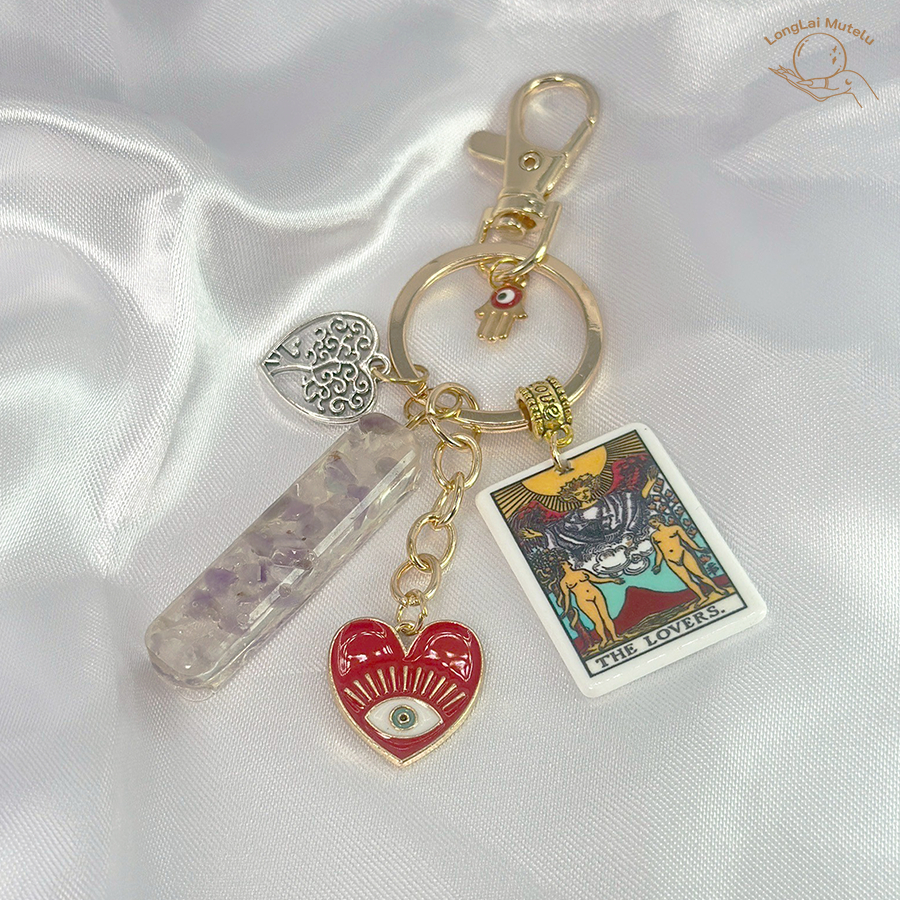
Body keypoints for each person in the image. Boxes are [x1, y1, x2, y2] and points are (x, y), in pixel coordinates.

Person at [649, 517, 726, 601]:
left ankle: (717, 589)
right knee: (687, 581)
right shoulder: (654, 536)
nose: (653, 524)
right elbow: (659, 552)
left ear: (660, 520)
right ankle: (702, 597)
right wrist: (657, 565)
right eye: (651, 524)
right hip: (670, 560)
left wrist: (698, 549)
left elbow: (687, 540)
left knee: (700, 575)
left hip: (683, 554)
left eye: (654, 521)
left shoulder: (675, 528)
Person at [557, 559, 624, 647]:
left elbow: (597, 579)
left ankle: (614, 637)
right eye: (563, 564)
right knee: (597, 621)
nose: (565, 564)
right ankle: (604, 639)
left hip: (596, 594)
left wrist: (612, 580)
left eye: (565, 563)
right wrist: (566, 610)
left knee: (606, 617)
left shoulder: (581, 572)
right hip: (583, 600)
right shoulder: (563, 582)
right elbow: (567, 596)